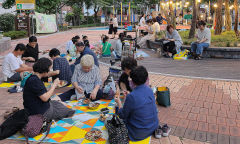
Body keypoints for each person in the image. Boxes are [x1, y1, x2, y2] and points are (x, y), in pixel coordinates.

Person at [115, 66, 159, 141]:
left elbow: (122, 115)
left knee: (114, 120)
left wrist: (119, 102)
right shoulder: (149, 90)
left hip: (138, 133)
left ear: (132, 81)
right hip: (153, 127)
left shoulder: (132, 96)